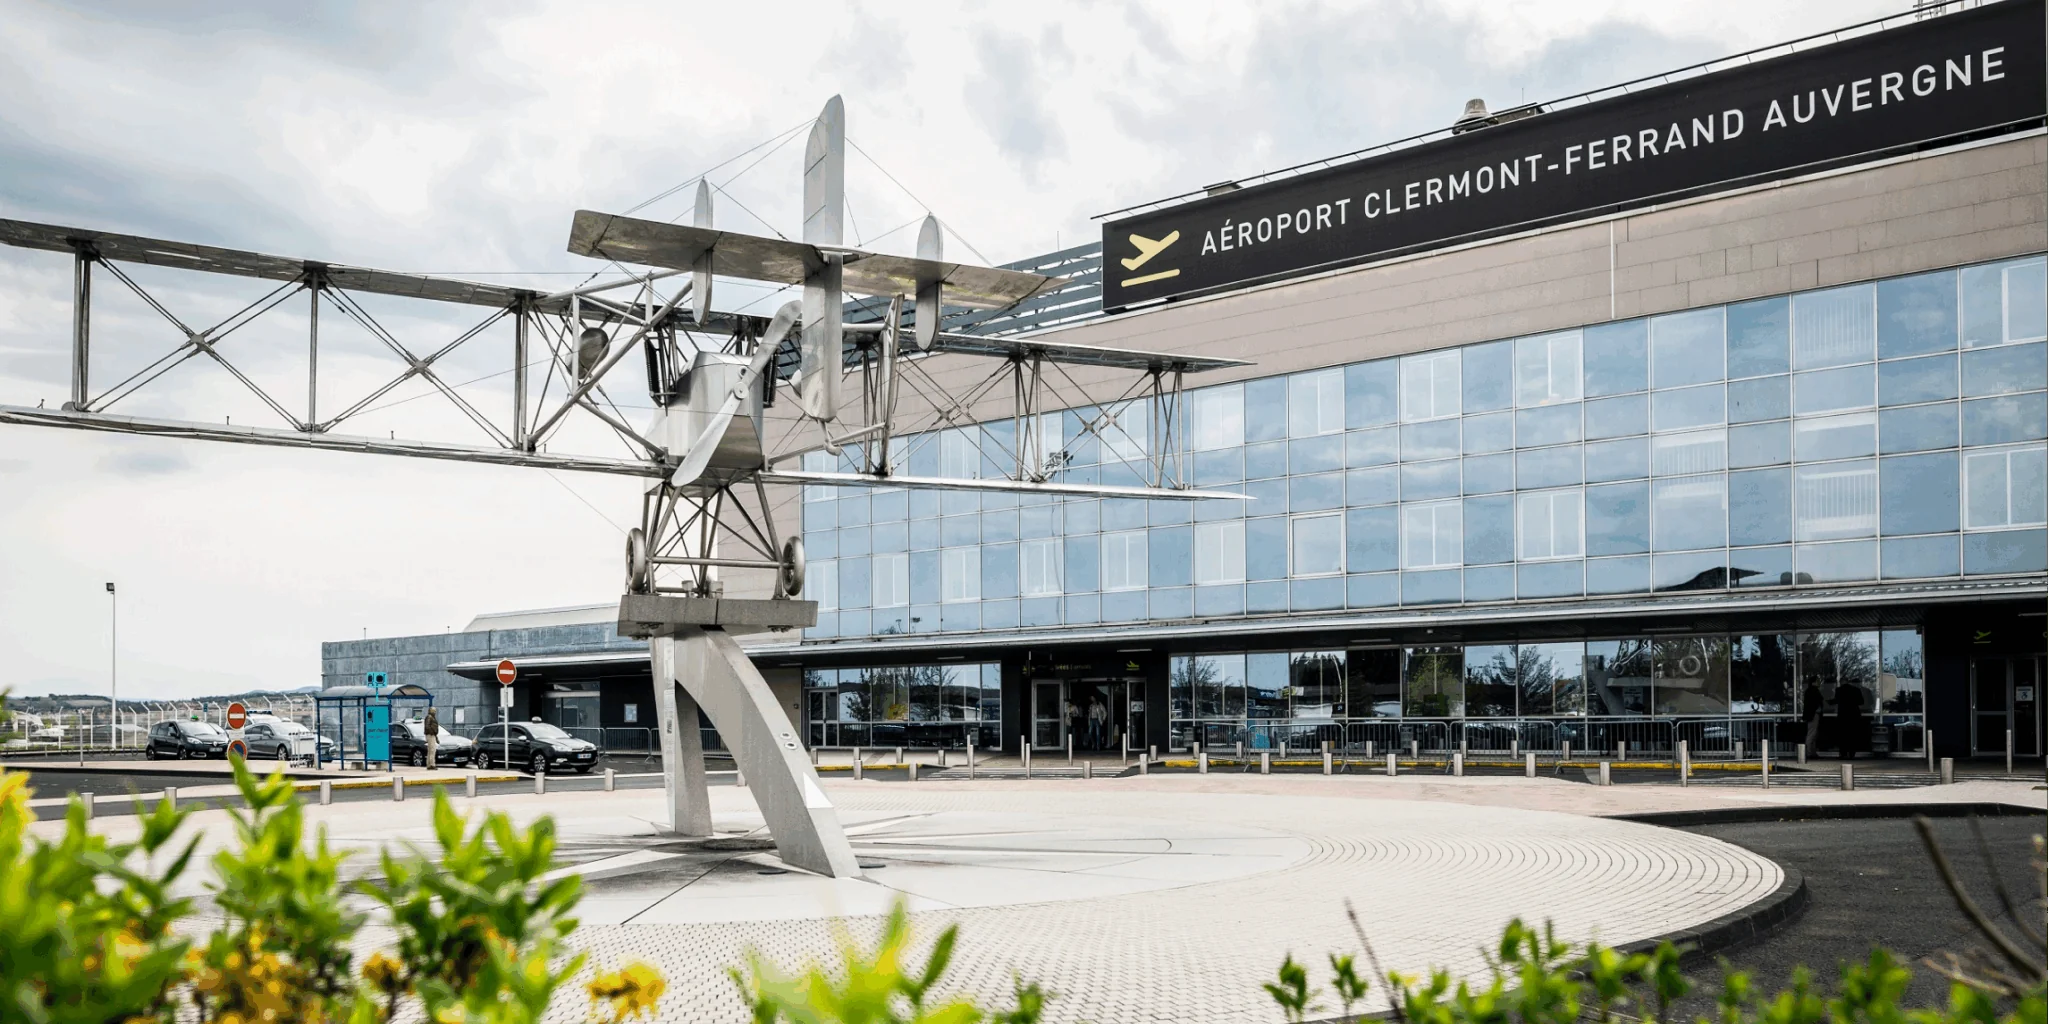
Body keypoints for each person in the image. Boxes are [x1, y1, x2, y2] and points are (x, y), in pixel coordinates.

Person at [1834, 680, 1866, 760]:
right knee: (1852, 735)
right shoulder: (1856, 690)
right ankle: (1852, 753)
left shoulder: (1838, 690)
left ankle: (1843, 753)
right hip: (1853, 715)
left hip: (1843, 715)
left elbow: (1836, 701)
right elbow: (1861, 702)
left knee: (1842, 735)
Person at [1801, 677, 1825, 755]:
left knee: (1813, 733)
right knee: (1812, 733)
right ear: (1814, 682)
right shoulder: (1814, 691)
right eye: (1817, 681)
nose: (1819, 683)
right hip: (1813, 715)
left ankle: (1811, 751)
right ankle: (1809, 752)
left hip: (1811, 715)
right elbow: (1816, 702)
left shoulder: (1809, 691)